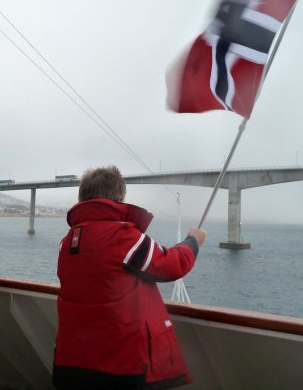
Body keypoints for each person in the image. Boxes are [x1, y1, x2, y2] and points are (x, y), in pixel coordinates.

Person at [53, 165, 206, 390]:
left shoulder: (68, 241)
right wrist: (192, 242)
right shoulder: (123, 237)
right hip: (119, 365)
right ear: (120, 197)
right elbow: (170, 265)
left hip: (72, 361)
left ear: (82, 197)